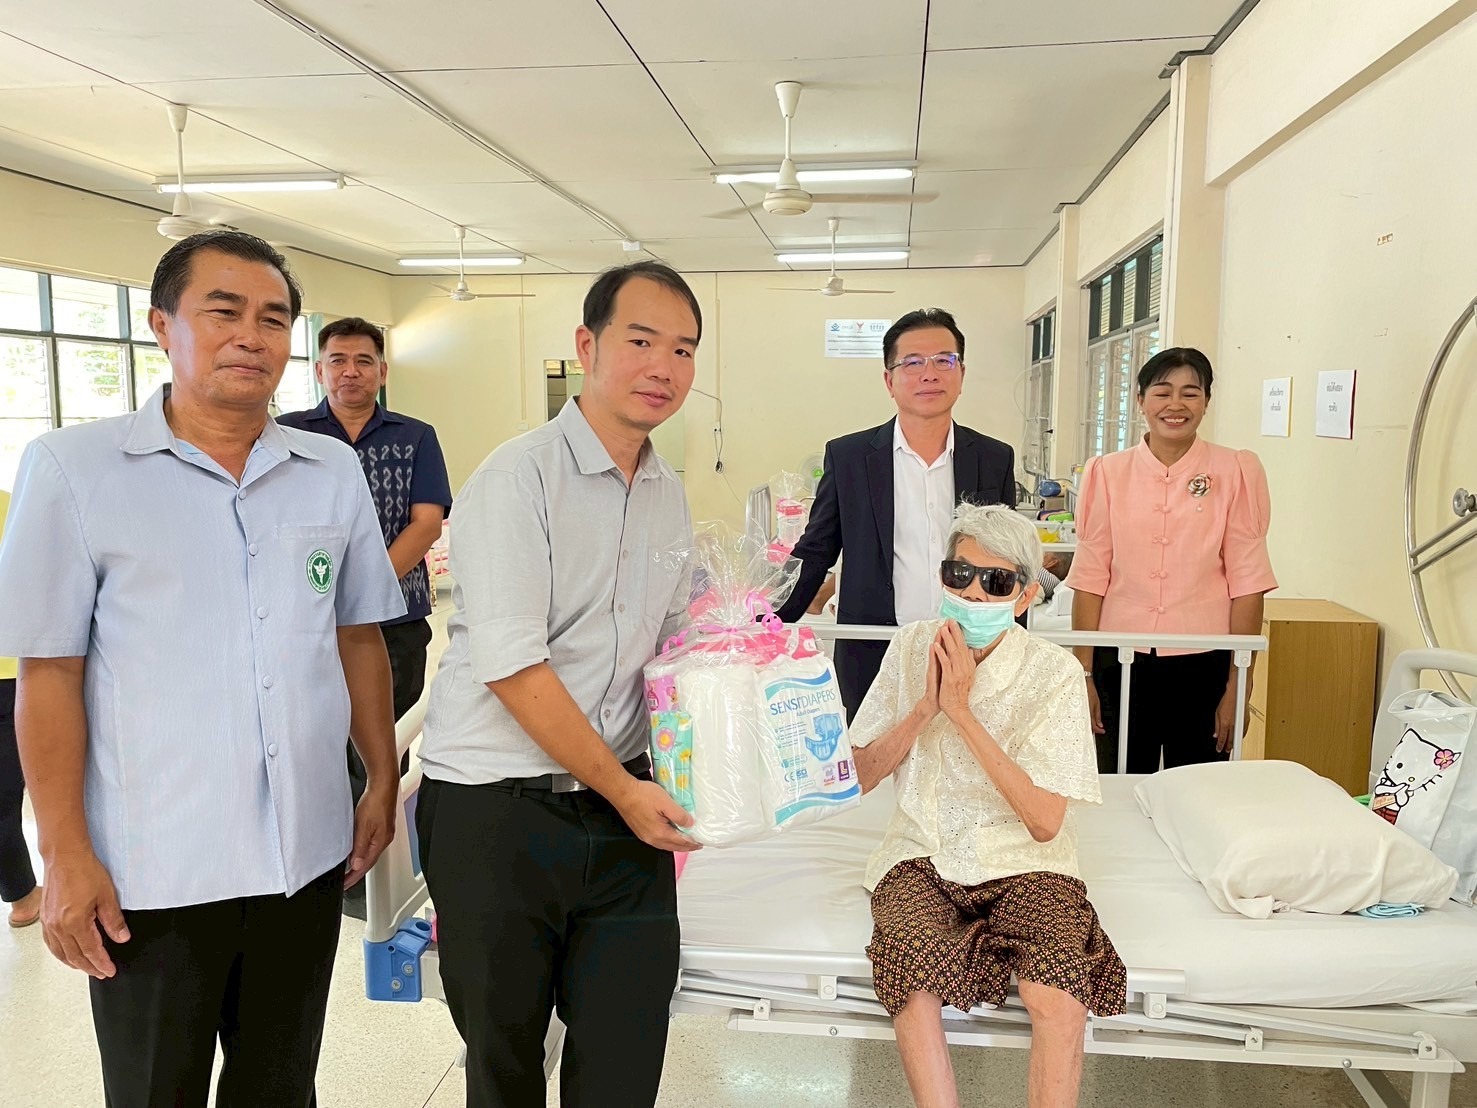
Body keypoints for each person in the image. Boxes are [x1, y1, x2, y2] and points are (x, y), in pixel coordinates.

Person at [0, 230, 406, 1106]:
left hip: (303, 855)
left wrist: (380, 778)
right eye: (223, 312)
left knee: (280, 1086)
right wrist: (63, 855)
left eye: (274, 319)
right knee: (157, 1091)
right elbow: (49, 674)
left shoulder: (328, 470)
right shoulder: (75, 470)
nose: (251, 337)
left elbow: (357, 636)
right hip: (152, 871)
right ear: (162, 325)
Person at [416, 261, 700, 1108]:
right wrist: (625, 789)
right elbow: (513, 665)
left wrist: (748, 676)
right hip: (497, 811)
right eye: (640, 341)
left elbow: (672, 648)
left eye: (683, 350)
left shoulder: (667, 493)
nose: (663, 367)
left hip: (621, 814)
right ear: (587, 346)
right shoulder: (518, 478)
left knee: (624, 1055)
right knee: (503, 1062)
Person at [850, 503, 1125, 1108]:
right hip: (923, 853)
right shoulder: (911, 647)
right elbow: (859, 776)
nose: (973, 593)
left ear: (1023, 597)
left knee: (1057, 988)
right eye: (960, 574)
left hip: (1028, 861)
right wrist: (925, 708)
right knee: (907, 963)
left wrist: (961, 712)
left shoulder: (1054, 674)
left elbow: (1045, 822)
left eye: (996, 581)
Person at [278, 317, 452, 917]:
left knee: (385, 741)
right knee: (318, 738)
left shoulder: (415, 436)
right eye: (337, 360)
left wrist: (363, 588)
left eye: (362, 361)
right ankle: (331, 863)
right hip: (306, 619)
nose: (350, 371)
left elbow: (427, 522)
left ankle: (384, 865)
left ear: (382, 370)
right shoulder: (288, 434)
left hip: (396, 618)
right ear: (319, 369)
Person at [776, 308, 1017, 720]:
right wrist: (765, 620)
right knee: (874, 758)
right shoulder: (850, 458)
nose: (929, 374)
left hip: (970, 651)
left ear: (961, 374)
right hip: (874, 653)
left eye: (944, 360)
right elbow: (815, 552)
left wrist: (1011, 649)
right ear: (889, 380)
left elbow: (1009, 562)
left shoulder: (993, 458)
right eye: (913, 363)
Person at [1066, 347, 1277, 774]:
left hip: (1206, 661)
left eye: (1190, 393)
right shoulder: (1107, 472)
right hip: (1118, 659)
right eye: (1162, 393)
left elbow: (1248, 582)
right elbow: (1090, 577)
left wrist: (1240, 683)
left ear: (1206, 401)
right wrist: (1082, 675)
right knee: (1118, 783)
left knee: (1200, 786)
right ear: (1141, 400)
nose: (1175, 405)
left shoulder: (1235, 469)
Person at [0, 489, 41, 929]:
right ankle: (23, 895)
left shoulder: (15, 503)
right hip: (16, 669)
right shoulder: (14, 504)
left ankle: (23, 892)